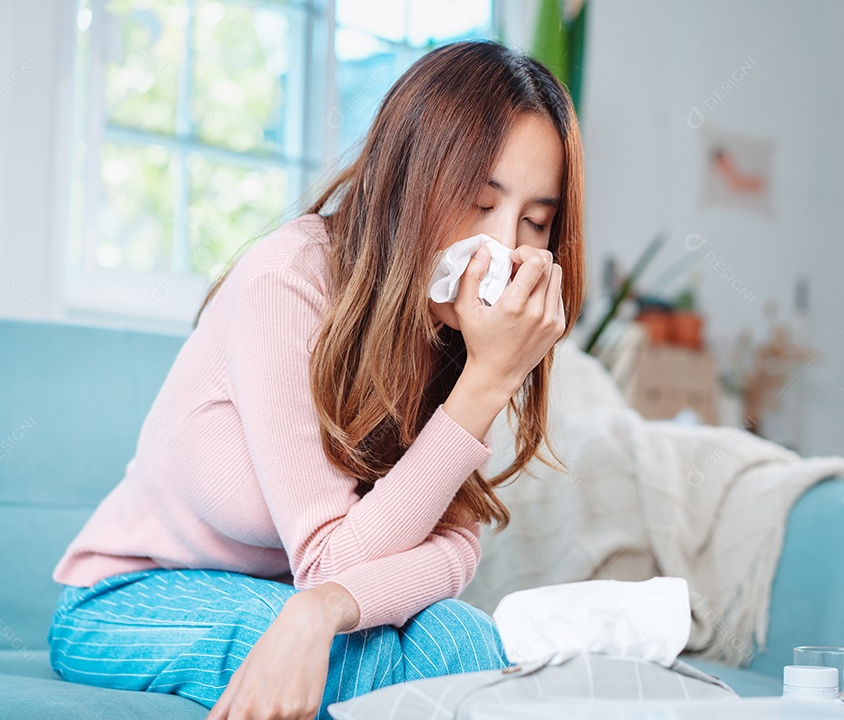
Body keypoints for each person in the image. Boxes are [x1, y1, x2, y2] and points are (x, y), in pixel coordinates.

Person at [46, 39, 585, 720]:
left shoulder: (451, 332)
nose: (505, 248)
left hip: (293, 597)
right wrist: (484, 385)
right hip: (128, 599)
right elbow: (329, 560)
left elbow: (451, 549)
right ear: (410, 183)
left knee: (470, 640)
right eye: (480, 203)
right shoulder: (289, 280)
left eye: (535, 221)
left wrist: (324, 609)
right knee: (402, 658)